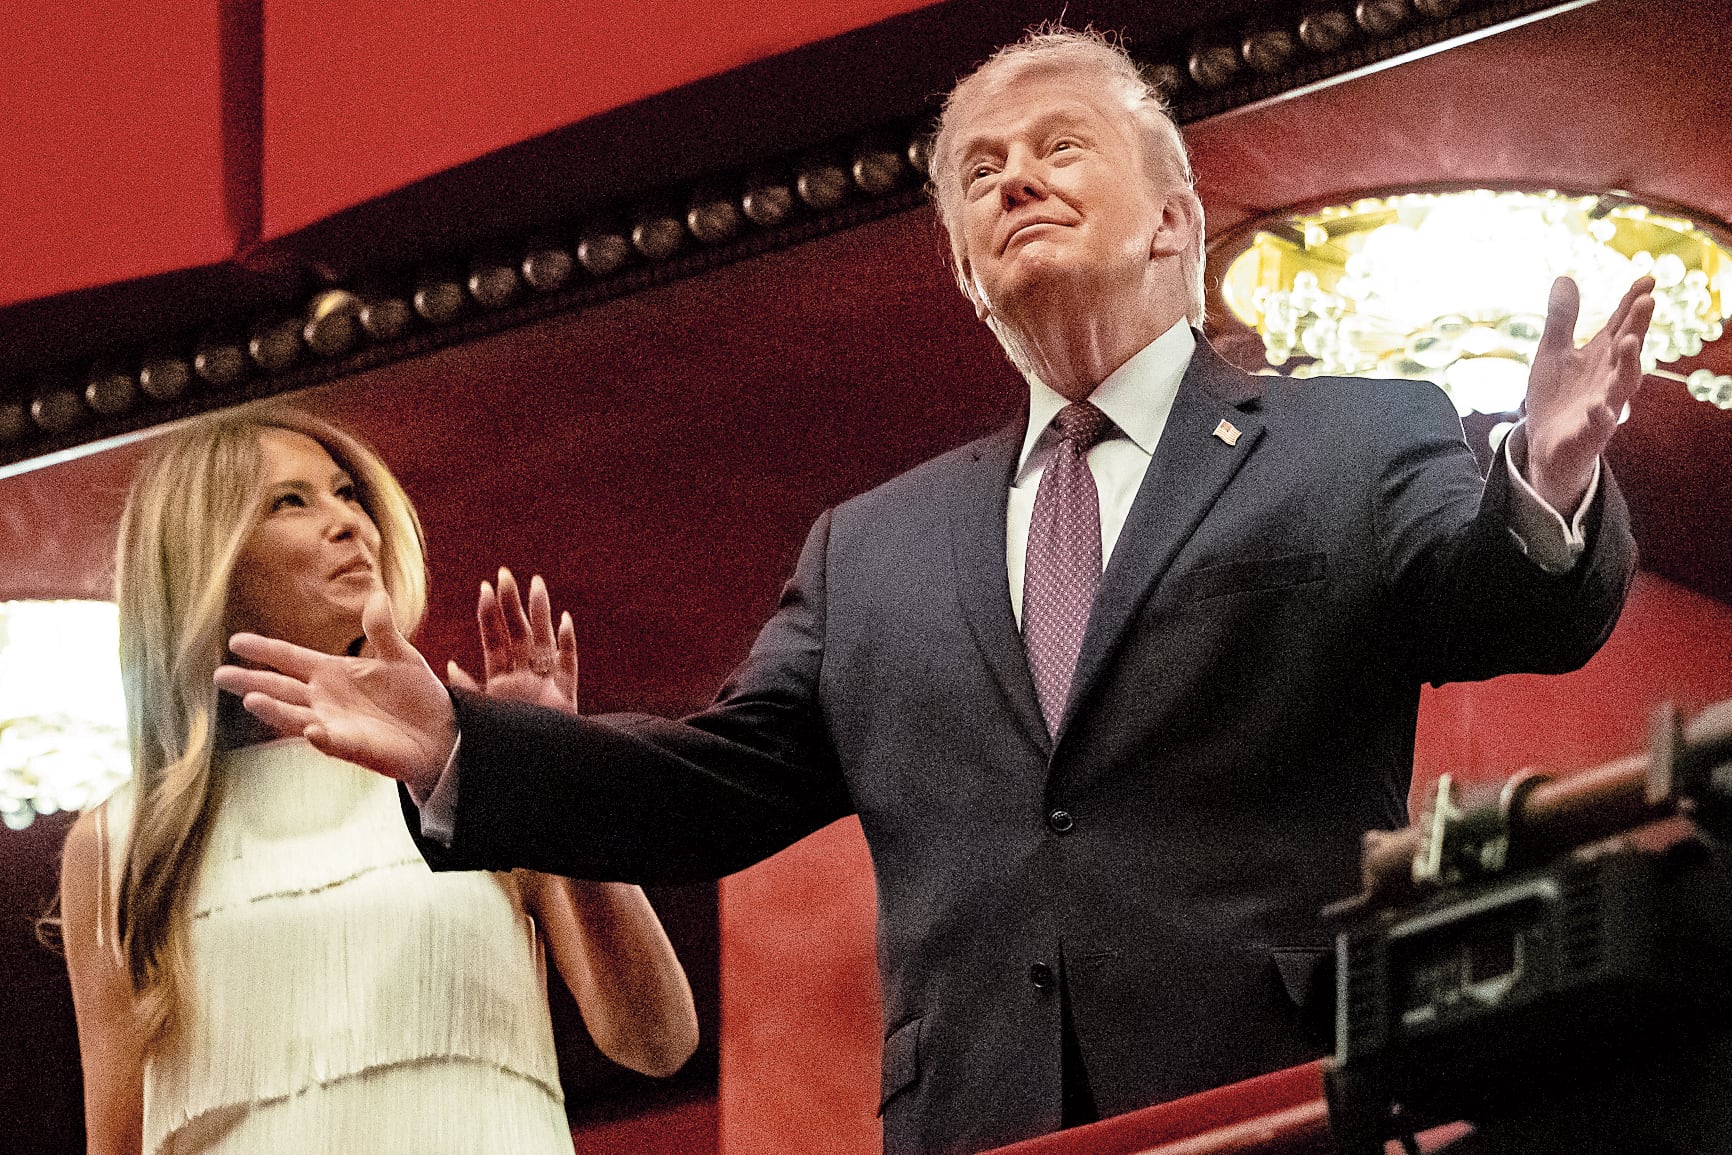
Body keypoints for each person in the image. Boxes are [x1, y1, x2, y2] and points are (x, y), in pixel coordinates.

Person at [214, 28, 1651, 1155]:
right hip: (977, 1122)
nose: (1012, 177)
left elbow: (1511, 604)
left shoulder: (1355, 436)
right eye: (979, 172)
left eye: (1057, 147)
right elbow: (715, 786)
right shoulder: (872, 548)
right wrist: (467, 746)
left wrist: (1546, 481)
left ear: (1172, 219)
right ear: (967, 268)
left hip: (1270, 1098)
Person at [59, 407, 698, 1155]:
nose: (347, 522)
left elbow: (657, 1039)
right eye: (290, 501)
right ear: (204, 562)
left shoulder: (464, 759)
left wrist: (555, 773)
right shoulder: (117, 841)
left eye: (347, 494)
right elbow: (117, 1142)